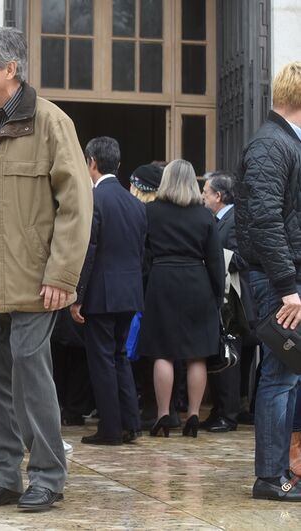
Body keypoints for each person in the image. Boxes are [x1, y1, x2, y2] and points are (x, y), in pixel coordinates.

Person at [0, 27, 92, 512]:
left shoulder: (51, 122)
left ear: (10, 69)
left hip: (37, 274)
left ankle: (48, 475)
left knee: (31, 372)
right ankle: (3, 476)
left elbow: (76, 205)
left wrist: (62, 276)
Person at [235, 61, 301, 501]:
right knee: (279, 376)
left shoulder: (280, 143)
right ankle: (269, 477)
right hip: (276, 282)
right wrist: (288, 287)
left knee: (289, 375)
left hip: (281, 279)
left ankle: (282, 471)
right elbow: (264, 221)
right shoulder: (271, 145)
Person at [138, 159, 224, 438]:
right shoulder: (205, 216)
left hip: (162, 281)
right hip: (197, 282)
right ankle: (195, 415)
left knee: (163, 353)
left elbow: (143, 254)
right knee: (196, 355)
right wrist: (216, 293)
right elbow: (215, 261)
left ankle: (164, 414)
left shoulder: (150, 212)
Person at [71, 136, 145, 445]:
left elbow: (89, 250)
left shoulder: (94, 199)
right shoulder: (135, 203)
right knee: (118, 357)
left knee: (102, 360)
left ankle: (111, 429)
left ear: (91, 162)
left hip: (101, 293)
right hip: (129, 292)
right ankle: (130, 424)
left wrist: (77, 296)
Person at [200, 171, 241, 433]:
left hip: (233, 301)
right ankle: (218, 410)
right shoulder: (214, 220)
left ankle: (229, 413)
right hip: (218, 295)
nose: (202, 197)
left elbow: (242, 257)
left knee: (230, 357)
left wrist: (214, 258)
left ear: (218, 195)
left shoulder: (236, 220)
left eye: (205, 192)